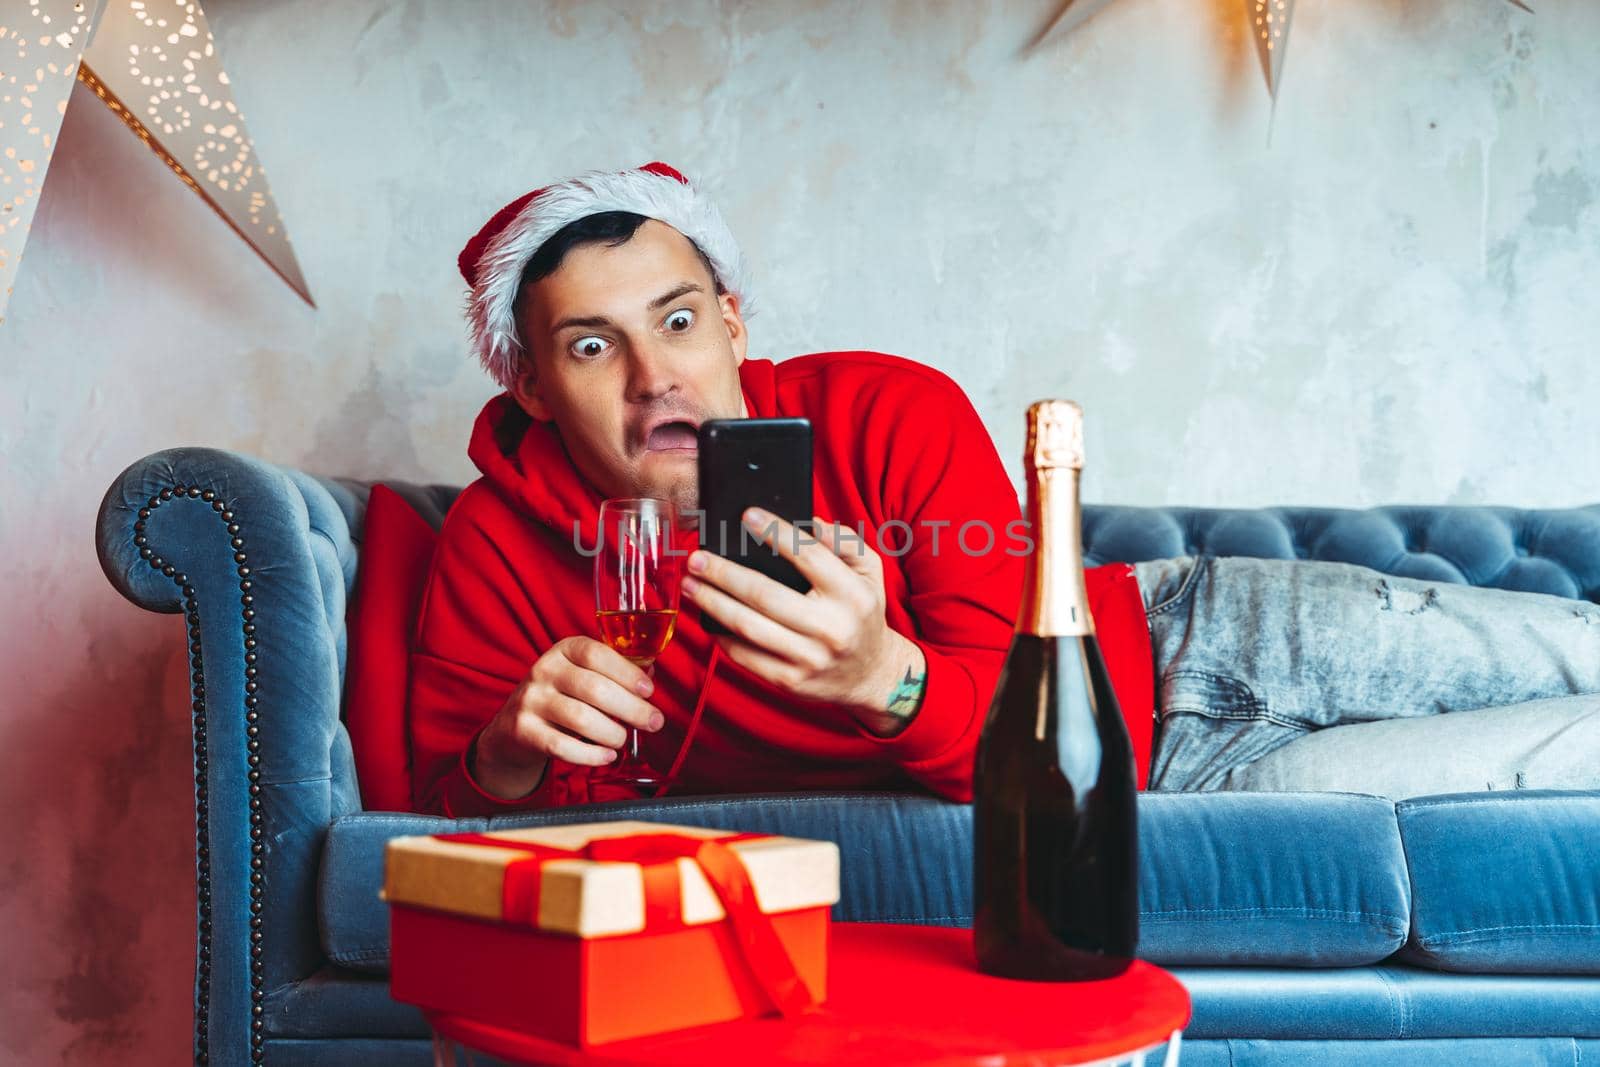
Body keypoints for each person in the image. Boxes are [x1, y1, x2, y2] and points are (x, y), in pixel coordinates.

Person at [408, 161, 1600, 817]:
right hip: (1170, 784)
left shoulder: (885, 408)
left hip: (1196, 624)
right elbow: (435, 815)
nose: (654, 375)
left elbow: (1033, 666)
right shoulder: (494, 544)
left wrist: (884, 672)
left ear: (730, 321)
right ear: (531, 390)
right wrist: (513, 746)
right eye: (590, 345)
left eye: (676, 320)